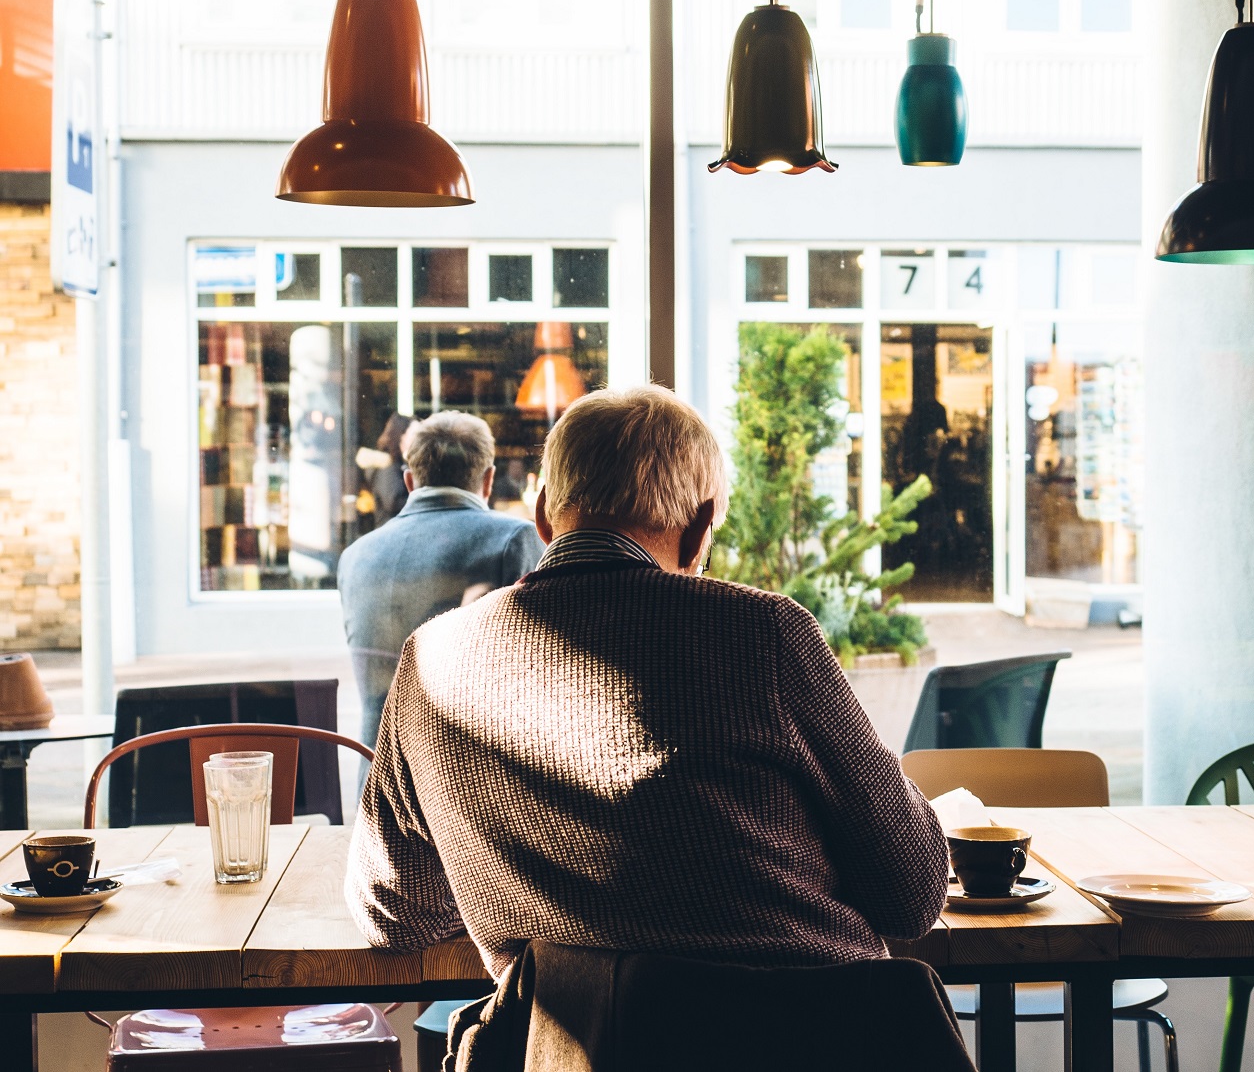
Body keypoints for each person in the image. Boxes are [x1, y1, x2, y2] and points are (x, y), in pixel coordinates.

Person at [345, 385, 948, 976]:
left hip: (573, 1049)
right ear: (699, 528)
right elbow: (913, 894)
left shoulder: (432, 659)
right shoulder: (765, 634)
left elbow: (393, 913)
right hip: (813, 1038)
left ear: (543, 515)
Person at [337, 410, 544, 748]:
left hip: (374, 781)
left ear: (409, 481)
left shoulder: (355, 556)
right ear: (489, 480)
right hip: (465, 782)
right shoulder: (513, 540)